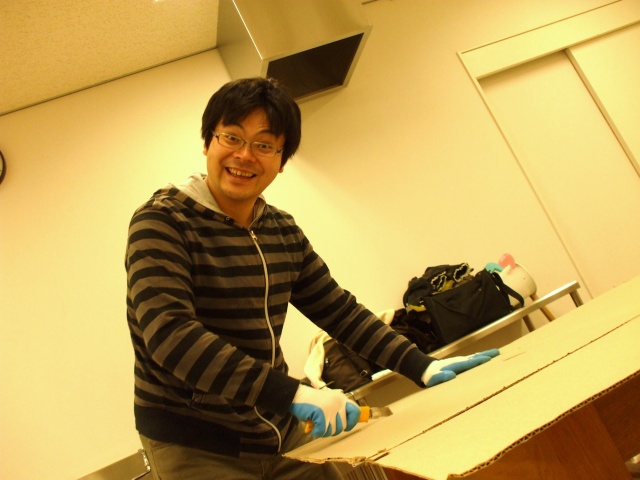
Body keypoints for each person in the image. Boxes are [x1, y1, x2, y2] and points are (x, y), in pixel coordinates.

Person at [125, 77, 499, 480]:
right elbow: (171, 337)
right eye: (232, 137)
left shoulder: (280, 230)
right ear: (207, 142)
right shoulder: (162, 221)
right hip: (196, 444)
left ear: (282, 160)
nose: (244, 155)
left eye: (264, 145)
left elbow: (339, 312)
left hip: (275, 425)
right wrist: (292, 394)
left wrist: (422, 366)